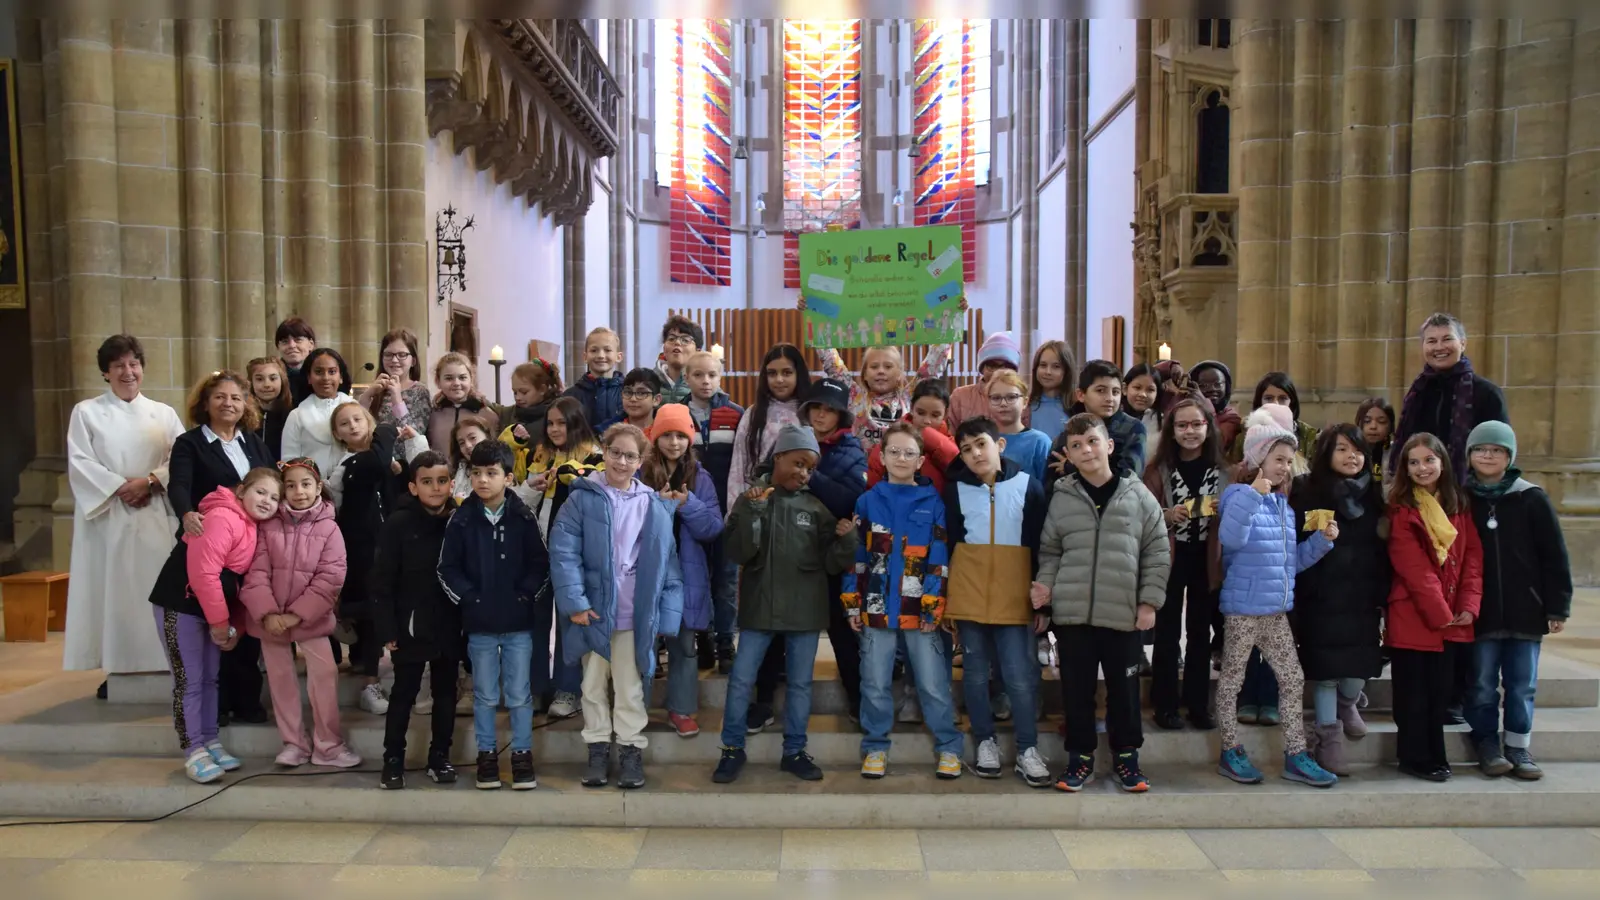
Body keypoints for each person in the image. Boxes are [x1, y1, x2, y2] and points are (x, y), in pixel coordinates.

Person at [712, 424, 857, 784]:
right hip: (759, 610)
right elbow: (739, 552)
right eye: (797, 463)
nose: (803, 473)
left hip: (805, 612)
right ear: (778, 457)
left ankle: (794, 751)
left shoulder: (816, 507)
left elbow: (831, 562)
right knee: (742, 680)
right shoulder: (752, 499)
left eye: (809, 467)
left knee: (800, 685)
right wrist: (755, 514)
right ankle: (731, 748)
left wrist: (848, 540)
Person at [1038, 413, 1169, 792]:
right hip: (1073, 614)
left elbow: (1157, 552)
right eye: (1077, 446)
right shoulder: (1062, 497)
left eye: (1093, 442)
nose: (1086, 450)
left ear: (1109, 446)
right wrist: (1045, 594)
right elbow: (1050, 552)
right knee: (1076, 691)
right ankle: (1080, 759)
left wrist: (1148, 603)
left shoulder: (1139, 496)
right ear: (1069, 453)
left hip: (1123, 614)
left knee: (1124, 692)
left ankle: (1127, 758)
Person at [550, 424, 685, 790]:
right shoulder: (582, 498)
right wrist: (575, 603)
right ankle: (596, 748)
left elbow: (668, 565)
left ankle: (629, 750)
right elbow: (564, 553)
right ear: (603, 452)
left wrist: (666, 616)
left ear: (641, 461)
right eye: (615, 452)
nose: (621, 461)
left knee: (629, 687)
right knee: (592, 685)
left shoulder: (653, 505)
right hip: (592, 612)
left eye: (630, 456)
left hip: (632, 615)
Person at [1214, 405, 1340, 788]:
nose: (1286, 466)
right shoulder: (1238, 494)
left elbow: (1290, 563)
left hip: (1275, 612)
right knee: (1232, 680)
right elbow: (1230, 539)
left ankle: (1296, 754)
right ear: (1257, 459)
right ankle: (1230, 749)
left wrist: (1322, 542)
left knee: (1292, 677)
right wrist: (1253, 494)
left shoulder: (1283, 507)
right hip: (1243, 611)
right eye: (1279, 459)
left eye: (1289, 460)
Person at [843, 422, 963, 780]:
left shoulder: (933, 503)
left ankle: (948, 746)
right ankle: (876, 746)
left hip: (919, 609)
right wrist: (853, 602)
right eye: (893, 451)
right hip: (875, 606)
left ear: (921, 461)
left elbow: (938, 559)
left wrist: (932, 606)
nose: (900, 458)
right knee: (875, 681)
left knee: (932, 682)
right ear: (881, 456)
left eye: (909, 452)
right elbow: (856, 557)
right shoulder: (867, 501)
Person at [147, 468, 283, 783]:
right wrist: (221, 624)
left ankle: (210, 740)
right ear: (241, 491)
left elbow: (239, 585)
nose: (267, 500)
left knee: (210, 679)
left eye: (275, 498)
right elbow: (204, 574)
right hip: (180, 605)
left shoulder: (252, 527)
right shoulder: (224, 516)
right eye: (261, 492)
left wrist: (236, 626)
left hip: (209, 611)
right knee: (189, 681)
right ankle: (193, 749)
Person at [65, 335, 187, 682]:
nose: (127, 371)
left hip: (154, 507)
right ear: (106, 372)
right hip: (111, 513)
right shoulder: (87, 412)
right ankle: (118, 665)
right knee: (115, 591)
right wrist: (120, 487)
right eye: (118, 365)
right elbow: (79, 460)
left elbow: (180, 457)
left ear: (142, 368)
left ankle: (166, 660)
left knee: (157, 587)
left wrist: (149, 481)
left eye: (133, 363)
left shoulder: (163, 413)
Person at [748, 378, 867, 728]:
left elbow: (851, 501)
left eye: (830, 410)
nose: (821, 415)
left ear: (841, 416)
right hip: (786, 550)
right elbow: (767, 478)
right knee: (774, 629)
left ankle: (859, 700)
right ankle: (764, 702)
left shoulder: (851, 451)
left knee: (843, 632)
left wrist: (808, 476)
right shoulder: (790, 441)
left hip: (829, 554)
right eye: (816, 407)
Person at [943, 416, 1052, 787]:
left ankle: (1027, 749)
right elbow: (951, 545)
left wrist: (1043, 603)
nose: (975, 453)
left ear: (999, 445)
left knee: (1019, 676)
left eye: (981, 444)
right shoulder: (955, 490)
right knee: (974, 674)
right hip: (970, 592)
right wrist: (948, 600)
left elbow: (1041, 547)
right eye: (967, 449)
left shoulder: (1028, 486)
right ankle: (984, 742)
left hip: (1014, 592)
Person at [438, 439, 551, 791]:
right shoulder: (461, 518)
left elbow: (540, 565)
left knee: (519, 694)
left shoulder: (522, 517)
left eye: (491, 473)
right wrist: (470, 599)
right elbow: (447, 568)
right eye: (476, 473)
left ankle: (521, 755)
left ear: (508, 476)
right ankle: (486, 756)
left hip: (518, 624)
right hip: (480, 625)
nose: (483, 481)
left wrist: (524, 596)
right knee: (485, 694)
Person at [1463, 421, 1571, 781]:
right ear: (1470, 456)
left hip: (1527, 610)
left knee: (1522, 683)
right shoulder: (1462, 499)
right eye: (1481, 450)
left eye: (1496, 450)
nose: (1488, 455)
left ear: (1509, 456)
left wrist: (1556, 606)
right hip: (1482, 611)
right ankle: (1486, 744)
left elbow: (1554, 556)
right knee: (1480, 683)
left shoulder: (1531, 497)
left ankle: (1518, 745)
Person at [167, 371, 274, 726]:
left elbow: (270, 482)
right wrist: (186, 513)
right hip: (212, 542)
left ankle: (246, 699)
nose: (228, 403)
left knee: (245, 624)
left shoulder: (253, 442)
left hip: (252, 543)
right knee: (216, 621)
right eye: (220, 397)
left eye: (236, 398)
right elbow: (179, 485)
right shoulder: (190, 442)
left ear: (246, 405)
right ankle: (218, 705)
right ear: (206, 402)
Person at [238, 458, 358, 771]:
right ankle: (294, 743)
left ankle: (328, 745)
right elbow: (255, 571)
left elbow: (330, 578)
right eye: (290, 485)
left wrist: (296, 615)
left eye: (306, 484)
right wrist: (267, 613)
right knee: (281, 681)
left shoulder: (330, 528)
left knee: (324, 678)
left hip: (310, 621)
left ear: (319, 487)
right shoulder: (267, 525)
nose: (298, 491)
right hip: (270, 621)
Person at [1290, 425, 1391, 775]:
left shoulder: (1374, 495)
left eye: (1358, 450)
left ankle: (1349, 704)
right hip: (1322, 597)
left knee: (1358, 671)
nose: (1353, 457)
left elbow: (1384, 549)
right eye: (1343, 449)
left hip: (1362, 597)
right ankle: (1328, 742)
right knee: (1327, 675)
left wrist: (1383, 595)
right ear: (1326, 453)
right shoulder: (1306, 490)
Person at [1386, 432, 1483, 782]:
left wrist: (1469, 606)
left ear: (1442, 462)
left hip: (1453, 617)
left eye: (1429, 460)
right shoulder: (1401, 508)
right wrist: (1443, 616)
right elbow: (1414, 569)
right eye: (1414, 462)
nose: (1422, 467)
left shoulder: (1458, 505)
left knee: (1439, 695)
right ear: (1405, 469)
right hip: (1415, 615)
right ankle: (1414, 758)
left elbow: (1472, 558)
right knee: (1413, 695)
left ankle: (1435, 756)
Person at [327, 402, 427, 714]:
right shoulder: (349, 465)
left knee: (402, 611)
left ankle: (407, 683)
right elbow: (340, 502)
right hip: (363, 550)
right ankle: (370, 683)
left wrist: (403, 457)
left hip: (400, 547)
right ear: (337, 435)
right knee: (371, 615)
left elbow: (417, 473)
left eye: (358, 419)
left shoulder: (389, 460)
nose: (353, 426)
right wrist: (386, 431)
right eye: (344, 423)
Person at [373, 452, 463, 789]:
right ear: (413, 486)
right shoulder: (398, 524)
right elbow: (381, 581)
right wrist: (387, 627)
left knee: (444, 693)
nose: (435, 488)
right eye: (426, 481)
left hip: (449, 622)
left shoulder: (459, 519)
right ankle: (392, 759)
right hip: (410, 624)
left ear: (451, 483)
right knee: (404, 692)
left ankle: (440, 756)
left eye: (442, 481)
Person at [1141, 397, 1228, 730]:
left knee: (1199, 633)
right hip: (1169, 559)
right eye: (1182, 425)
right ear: (1171, 431)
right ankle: (1165, 704)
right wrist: (1167, 515)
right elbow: (1144, 515)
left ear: (1208, 427)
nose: (1190, 431)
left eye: (1197, 424)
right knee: (1166, 633)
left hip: (1206, 558)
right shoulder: (1158, 469)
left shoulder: (1223, 471)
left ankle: (1197, 704)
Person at [637, 405, 723, 736]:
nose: (674, 443)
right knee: (643, 644)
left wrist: (689, 505)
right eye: (667, 435)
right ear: (655, 437)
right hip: (647, 572)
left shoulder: (700, 478)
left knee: (684, 645)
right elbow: (626, 525)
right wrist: (656, 507)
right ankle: (636, 708)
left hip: (686, 574)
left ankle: (682, 709)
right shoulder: (640, 474)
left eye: (680, 436)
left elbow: (713, 528)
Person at [810, 306, 958, 448]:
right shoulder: (854, 396)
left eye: (888, 367)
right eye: (874, 367)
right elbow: (833, 364)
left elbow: (934, 362)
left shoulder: (910, 397)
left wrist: (952, 313)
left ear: (899, 374)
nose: (881, 371)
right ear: (865, 375)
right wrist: (814, 314)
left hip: (902, 469)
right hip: (862, 470)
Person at [1390, 312, 1510, 483]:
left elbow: (1501, 449)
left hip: (1470, 491)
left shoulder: (1487, 393)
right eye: (1431, 341)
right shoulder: (1418, 392)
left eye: (1447, 339)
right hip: (1419, 490)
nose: (1439, 347)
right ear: (1423, 346)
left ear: (1462, 343)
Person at [683, 349, 744, 672]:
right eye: (698, 375)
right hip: (689, 512)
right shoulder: (676, 413)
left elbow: (742, 463)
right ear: (686, 377)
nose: (705, 381)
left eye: (712, 375)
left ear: (721, 377)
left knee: (726, 580)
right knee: (695, 578)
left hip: (726, 511)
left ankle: (725, 643)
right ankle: (701, 638)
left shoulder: (735, 414)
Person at [726, 343, 811, 502]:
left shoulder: (810, 414)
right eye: (772, 373)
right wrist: (735, 512)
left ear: (798, 374)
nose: (779, 379)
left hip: (799, 506)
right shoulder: (753, 414)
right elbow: (738, 467)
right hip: (757, 501)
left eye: (787, 373)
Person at [1049, 359, 1147, 483]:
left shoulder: (1133, 428)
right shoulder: (1070, 431)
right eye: (1101, 390)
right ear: (1081, 395)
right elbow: (1053, 484)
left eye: (1115, 392)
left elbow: (1128, 476)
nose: (1110, 398)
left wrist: (1074, 468)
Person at [866, 379, 960, 491]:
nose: (927, 421)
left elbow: (961, 468)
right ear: (911, 408)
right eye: (921, 413)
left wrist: (931, 437)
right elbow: (872, 481)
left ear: (946, 414)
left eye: (935, 415)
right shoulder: (892, 437)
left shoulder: (952, 442)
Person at [280, 347, 355, 482]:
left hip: (353, 484)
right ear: (309, 377)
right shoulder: (297, 416)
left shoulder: (355, 409)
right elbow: (289, 462)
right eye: (318, 372)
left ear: (341, 377)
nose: (326, 378)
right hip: (311, 490)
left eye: (332, 372)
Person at [1227, 372, 1320, 472]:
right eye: (1268, 398)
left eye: (1282, 399)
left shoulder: (1308, 436)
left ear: (1291, 402)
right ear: (1260, 402)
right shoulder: (1245, 437)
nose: (1275, 403)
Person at [361, 327, 433, 443]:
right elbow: (359, 430)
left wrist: (397, 400)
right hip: (377, 456)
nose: (394, 360)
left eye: (402, 354)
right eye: (388, 354)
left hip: (406, 459)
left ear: (413, 361)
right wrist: (366, 397)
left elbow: (415, 437)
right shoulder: (377, 390)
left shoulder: (420, 391)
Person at [498, 359, 562, 481]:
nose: (518, 397)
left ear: (542, 389)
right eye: (515, 392)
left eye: (524, 392)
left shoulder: (554, 414)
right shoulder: (510, 413)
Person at [426, 352, 499, 456]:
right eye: (449, 378)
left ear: (471, 379)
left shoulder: (486, 414)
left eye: (462, 377)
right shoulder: (433, 415)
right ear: (438, 381)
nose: (456, 383)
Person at [987, 370, 1051, 485]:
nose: (1003, 403)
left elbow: (1047, 486)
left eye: (1011, 397)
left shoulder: (1039, 441)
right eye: (996, 398)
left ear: (1025, 402)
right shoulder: (983, 440)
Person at [947, 331, 1021, 428]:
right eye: (992, 365)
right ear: (982, 368)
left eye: (1006, 366)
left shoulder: (1020, 399)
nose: (998, 372)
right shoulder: (960, 396)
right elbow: (948, 435)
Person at [564, 326, 626, 429]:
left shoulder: (628, 393)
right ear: (585, 357)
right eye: (594, 350)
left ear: (618, 357)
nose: (601, 355)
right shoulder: (570, 396)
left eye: (607, 350)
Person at [1026, 340, 1076, 442]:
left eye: (1056, 366)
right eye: (1043, 365)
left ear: (1066, 371)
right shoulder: (1026, 405)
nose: (1048, 372)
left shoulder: (1076, 406)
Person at [1189, 359, 1243, 450]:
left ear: (1227, 386)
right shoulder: (1186, 413)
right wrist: (1172, 366)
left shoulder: (1231, 418)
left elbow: (1216, 445)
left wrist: (1209, 413)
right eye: (1203, 385)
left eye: (1217, 384)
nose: (1212, 389)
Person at [247, 356, 292, 461]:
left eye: (273, 378)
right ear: (250, 382)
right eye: (259, 379)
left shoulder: (292, 414)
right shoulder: (243, 416)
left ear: (282, 380)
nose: (267, 384)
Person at [447, 414, 496, 503]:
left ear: (487, 436)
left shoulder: (500, 469)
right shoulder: (457, 471)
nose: (468, 445)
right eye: (461, 443)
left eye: (473, 438)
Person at [656, 314, 703, 404]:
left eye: (685, 340)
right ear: (664, 348)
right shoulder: (649, 381)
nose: (677, 342)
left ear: (698, 351)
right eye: (671, 338)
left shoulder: (706, 384)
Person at [602, 367, 663, 433]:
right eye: (628, 392)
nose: (633, 399)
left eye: (641, 393)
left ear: (656, 400)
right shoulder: (607, 432)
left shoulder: (666, 432)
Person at [275, 317, 317, 406]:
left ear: (311, 344)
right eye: (285, 341)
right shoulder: (272, 375)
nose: (292, 345)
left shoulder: (321, 373)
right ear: (278, 347)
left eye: (298, 340)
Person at [1123, 363, 1165, 445]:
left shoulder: (1163, 422)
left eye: (1150, 390)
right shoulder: (1113, 418)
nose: (1143, 394)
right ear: (1125, 389)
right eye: (1137, 388)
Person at [1357, 396, 1395, 481]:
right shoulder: (1350, 453)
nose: (1373, 426)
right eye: (1367, 421)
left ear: (1390, 426)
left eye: (1381, 421)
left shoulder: (1397, 454)